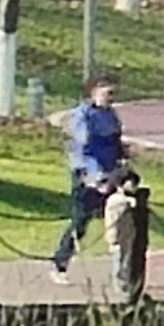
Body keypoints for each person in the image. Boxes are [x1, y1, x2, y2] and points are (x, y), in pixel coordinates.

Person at [49, 72, 125, 278]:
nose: (110, 96)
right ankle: (59, 263)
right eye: (106, 91)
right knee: (80, 222)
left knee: (123, 219)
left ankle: (124, 270)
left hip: (112, 175)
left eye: (113, 92)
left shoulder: (111, 116)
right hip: (89, 178)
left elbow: (117, 145)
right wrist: (95, 176)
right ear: (93, 92)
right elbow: (80, 151)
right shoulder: (81, 116)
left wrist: (121, 168)